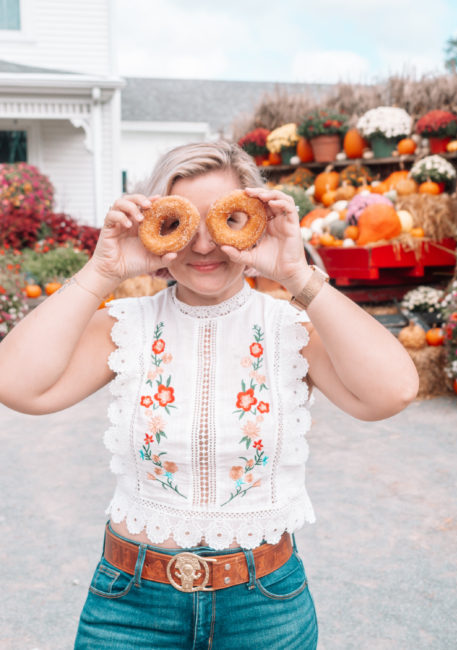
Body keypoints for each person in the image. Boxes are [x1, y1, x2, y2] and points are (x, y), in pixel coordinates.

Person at [0, 141, 419, 649]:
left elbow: (393, 392)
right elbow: (16, 384)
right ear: (154, 227)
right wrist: (102, 272)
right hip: (130, 606)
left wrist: (296, 275)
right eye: (181, 225)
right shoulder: (124, 326)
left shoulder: (294, 329)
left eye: (223, 221)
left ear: (257, 222)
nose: (202, 246)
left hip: (264, 607)